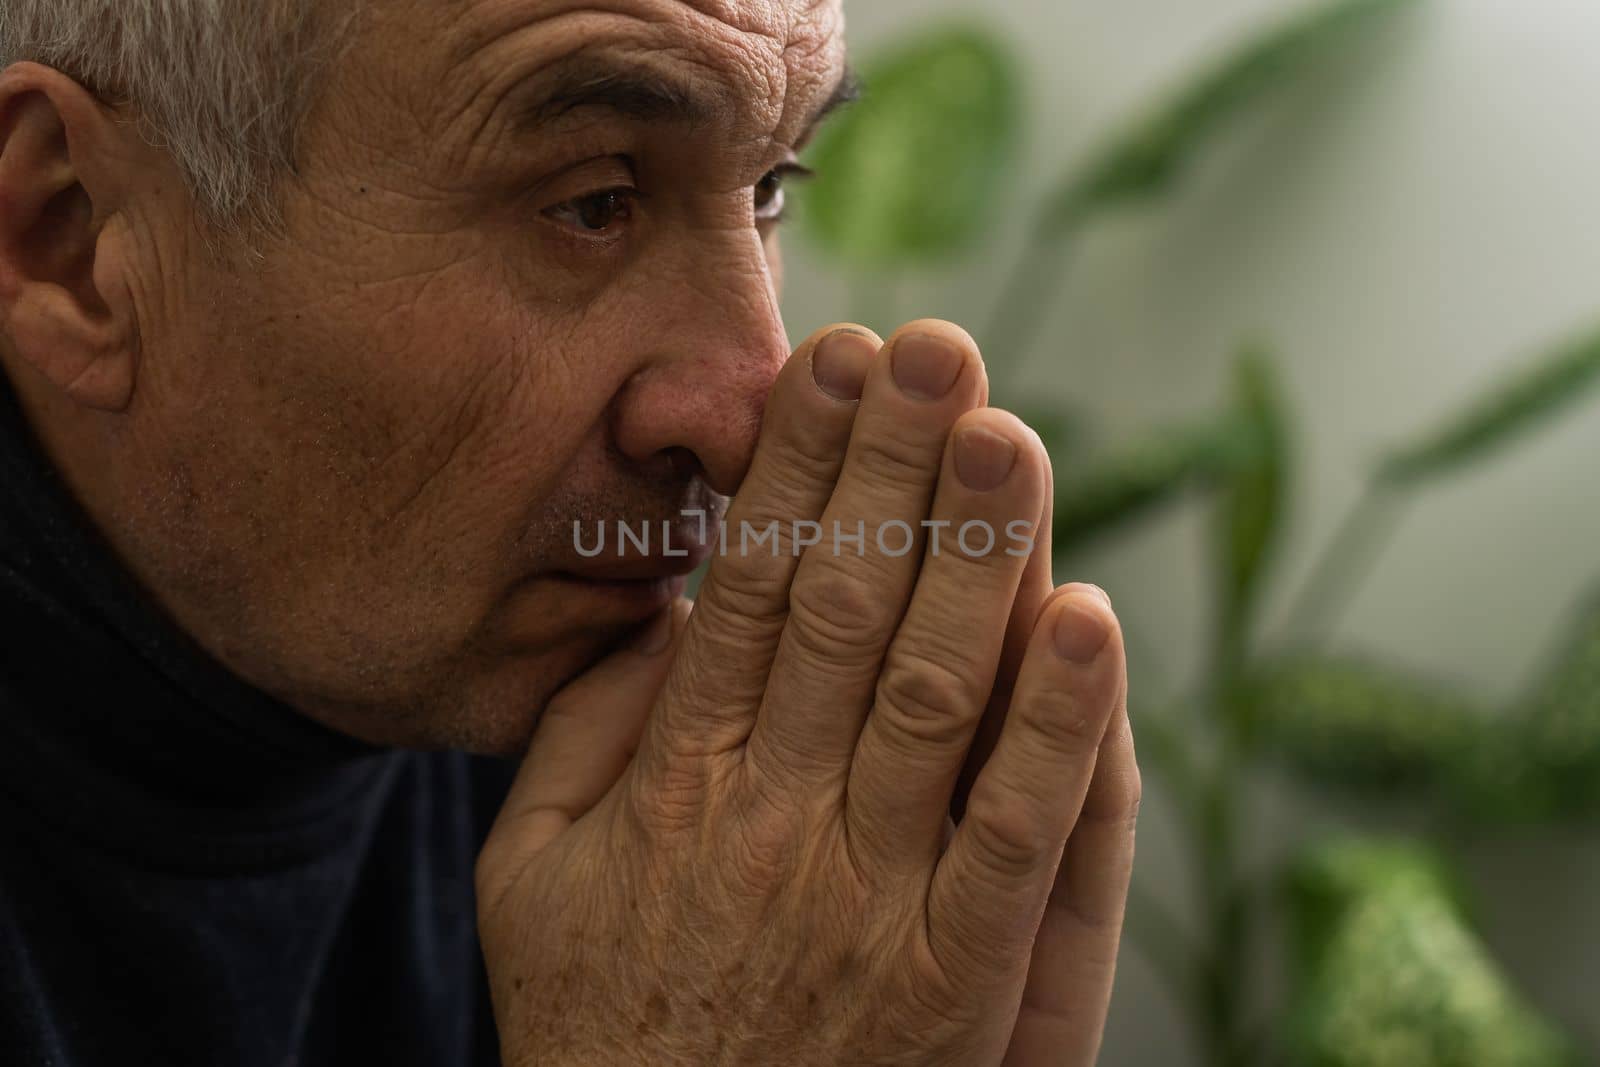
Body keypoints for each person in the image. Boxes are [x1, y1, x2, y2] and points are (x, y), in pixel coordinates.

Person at [0, 0, 1140, 1063]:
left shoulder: (654, 778)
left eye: (771, 187)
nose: (749, 417)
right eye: (592, 201)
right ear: (73, 241)